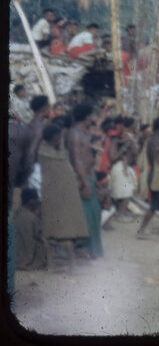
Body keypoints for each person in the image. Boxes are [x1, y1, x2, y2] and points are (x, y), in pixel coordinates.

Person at [37, 122, 90, 255]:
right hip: (51, 193)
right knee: (54, 224)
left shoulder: (61, 153)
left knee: (70, 221)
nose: (59, 138)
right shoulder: (42, 152)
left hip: (66, 193)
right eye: (57, 136)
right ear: (51, 137)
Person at [67, 104, 103, 258]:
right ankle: (81, 249)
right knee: (86, 215)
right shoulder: (74, 134)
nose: (93, 119)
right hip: (81, 179)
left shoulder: (83, 133)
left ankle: (91, 249)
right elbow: (76, 160)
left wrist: (93, 180)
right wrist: (85, 182)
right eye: (91, 116)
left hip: (88, 176)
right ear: (86, 117)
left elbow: (89, 159)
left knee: (94, 213)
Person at [15, 188, 48, 270]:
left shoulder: (16, 214)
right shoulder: (32, 217)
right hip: (28, 258)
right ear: (31, 201)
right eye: (36, 199)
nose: (38, 202)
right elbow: (40, 234)